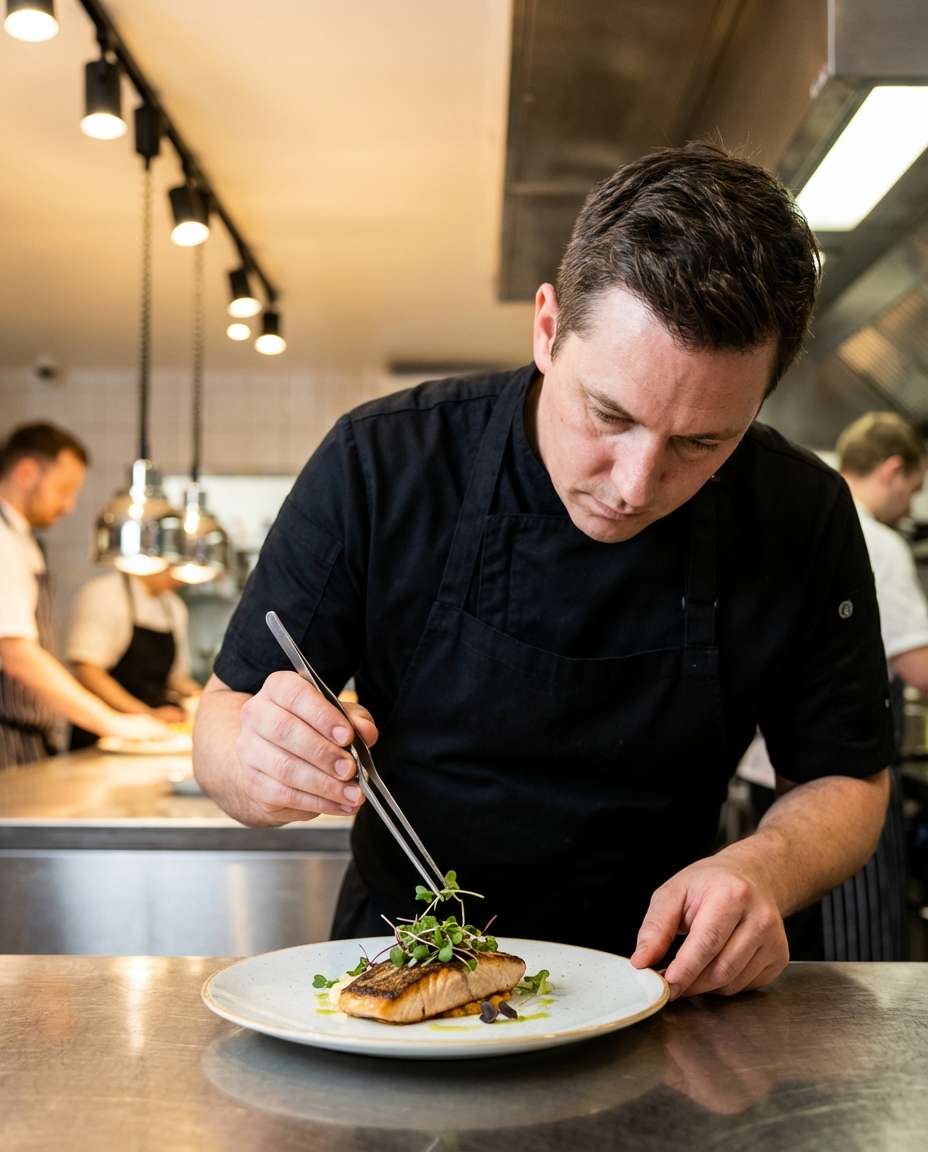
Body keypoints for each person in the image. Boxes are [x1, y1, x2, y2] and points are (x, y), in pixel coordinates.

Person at [194, 143, 893, 1000]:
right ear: (547, 328)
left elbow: (844, 776)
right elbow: (223, 721)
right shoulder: (383, 462)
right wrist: (257, 764)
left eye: (702, 443)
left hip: (661, 987)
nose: (636, 485)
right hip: (399, 986)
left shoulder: (800, 511)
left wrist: (767, 868)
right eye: (609, 414)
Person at [0, 423, 170, 768]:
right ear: (26, 472)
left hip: (25, 736)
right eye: (63, 490)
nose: (68, 506)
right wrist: (111, 722)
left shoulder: (21, 539)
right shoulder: (2, 541)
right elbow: (15, 652)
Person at [837, 413, 928, 694]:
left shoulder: (807, 520)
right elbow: (921, 671)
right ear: (893, 470)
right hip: (835, 727)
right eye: (912, 492)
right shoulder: (878, 543)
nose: (910, 510)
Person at [66, 568, 202, 749]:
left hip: (155, 732)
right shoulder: (104, 594)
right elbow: (88, 671)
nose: (181, 581)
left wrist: (202, 699)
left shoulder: (174, 607)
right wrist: (145, 714)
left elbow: (177, 678)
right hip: (103, 730)